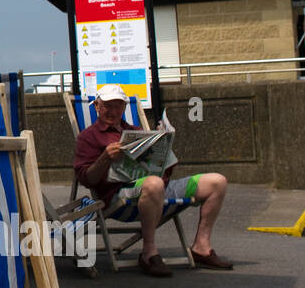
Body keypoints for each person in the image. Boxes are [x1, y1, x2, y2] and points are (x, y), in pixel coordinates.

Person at [73, 84, 232, 277]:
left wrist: (166, 155)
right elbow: (86, 179)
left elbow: (162, 172)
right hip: (119, 195)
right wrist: (104, 158)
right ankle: (149, 252)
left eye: (118, 106)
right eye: (108, 106)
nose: (113, 111)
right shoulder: (88, 137)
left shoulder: (136, 131)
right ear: (97, 106)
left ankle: (201, 246)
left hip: (156, 188)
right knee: (153, 184)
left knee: (217, 181)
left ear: (124, 108)